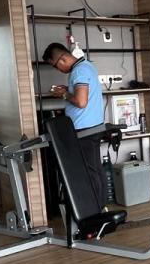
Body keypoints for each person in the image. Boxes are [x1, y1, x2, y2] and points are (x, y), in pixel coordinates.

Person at [42, 42, 108, 205]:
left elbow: (81, 101)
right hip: (93, 126)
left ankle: (95, 210)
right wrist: (68, 90)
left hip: (84, 130)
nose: (58, 70)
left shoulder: (79, 71)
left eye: (55, 66)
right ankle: (101, 208)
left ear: (62, 59)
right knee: (95, 169)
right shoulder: (87, 66)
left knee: (89, 172)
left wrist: (64, 94)